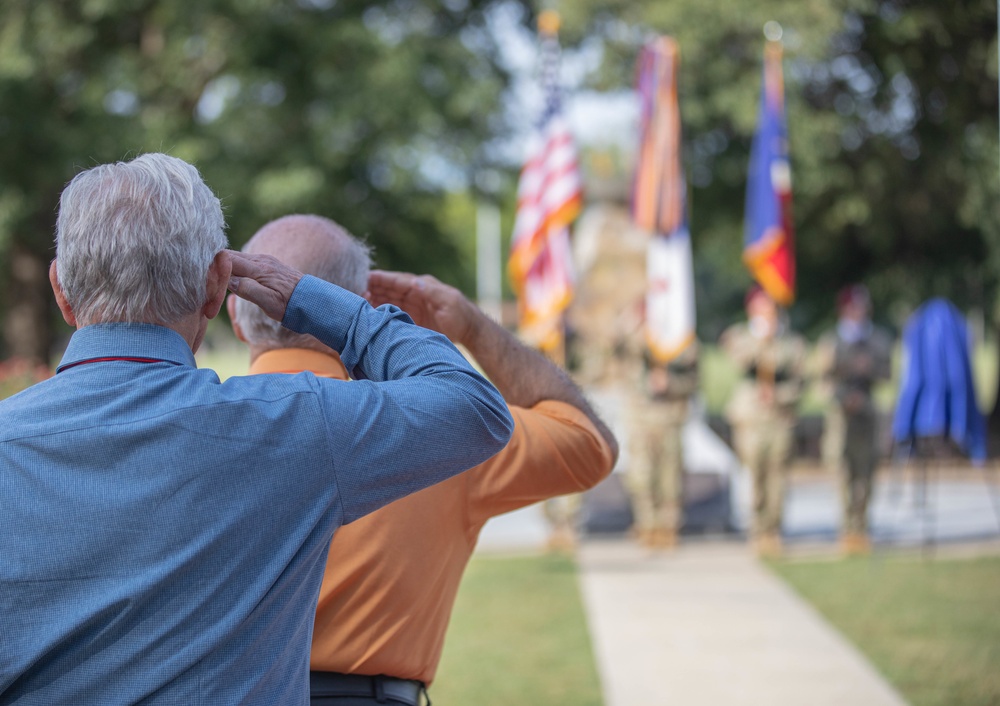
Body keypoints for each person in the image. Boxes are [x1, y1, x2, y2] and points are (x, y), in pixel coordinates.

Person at [0, 154, 513, 705]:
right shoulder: (290, 425)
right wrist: (317, 303)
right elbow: (474, 407)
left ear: (61, 289)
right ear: (217, 287)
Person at [227, 214, 618, 706]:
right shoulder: (445, 429)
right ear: (359, 309)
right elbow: (587, 443)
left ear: (235, 318)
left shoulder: (185, 424)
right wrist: (473, 330)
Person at [720, 286, 805, 556]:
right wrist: (762, 340)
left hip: (779, 417)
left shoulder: (791, 342)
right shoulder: (740, 336)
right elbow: (740, 359)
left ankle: (774, 529)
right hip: (751, 417)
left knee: (777, 476)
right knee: (755, 474)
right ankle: (758, 528)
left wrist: (779, 396)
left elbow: (800, 381)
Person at [817, 284, 892, 555]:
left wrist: (869, 370)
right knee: (843, 467)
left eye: (861, 307)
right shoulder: (833, 341)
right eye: (852, 308)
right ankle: (847, 524)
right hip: (842, 410)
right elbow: (823, 379)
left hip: (868, 408)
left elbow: (886, 372)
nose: (857, 312)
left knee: (867, 469)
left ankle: (862, 524)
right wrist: (842, 396)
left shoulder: (878, 339)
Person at [625, 342, 699, 550]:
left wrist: (671, 383)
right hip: (641, 420)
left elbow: (694, 380)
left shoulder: (681, 338)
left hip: (670, 420)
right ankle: (647, 525)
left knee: (670, 478)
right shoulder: (633, 335)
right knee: (641, 476)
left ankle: (668, 527)